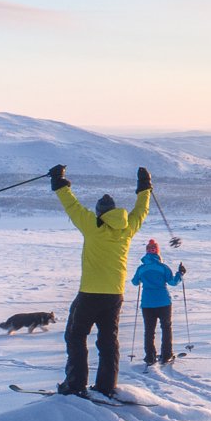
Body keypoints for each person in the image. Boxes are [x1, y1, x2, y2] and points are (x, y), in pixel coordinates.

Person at [49, 164, 151, 397]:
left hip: (89, 293)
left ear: (99, 212)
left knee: (75, 337)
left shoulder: (92, 227)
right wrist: (145, 187)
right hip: (115, 294)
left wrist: (59, 181)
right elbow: (141, 210)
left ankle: (74, 384)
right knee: (108, 341)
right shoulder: (127, 229)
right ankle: (106, 386)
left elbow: (71, 205)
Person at [130, 239, 186, 365]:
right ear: (157, 252)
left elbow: (134, 282)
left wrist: (142, 279)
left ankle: (150, 357)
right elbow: (172, 282)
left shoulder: (141, 268)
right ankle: (166, 355)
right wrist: (180, 273)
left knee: (149, 330)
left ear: (147, 252)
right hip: (163, 302)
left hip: (147, 303)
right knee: (166, 328)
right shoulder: (163, 268)